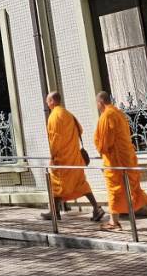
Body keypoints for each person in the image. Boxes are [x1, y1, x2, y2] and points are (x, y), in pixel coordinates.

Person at [93, 91, 147, 232]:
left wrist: (99, 147)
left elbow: (105, 143)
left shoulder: (106, 116)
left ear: (100, 102)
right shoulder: (119, 113)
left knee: (114, 190)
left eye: (97, 104)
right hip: (128, 157)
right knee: (134, 190)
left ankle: (116, 223)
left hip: (115, 161)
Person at [41, 92, 104, 223]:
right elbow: (79, 130)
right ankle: (95, 208)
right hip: (74, 156)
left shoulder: (53, 117)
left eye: (48, 101)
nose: (47, 104)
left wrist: (53, 156)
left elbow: (54, 139)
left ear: (52, 101)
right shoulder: (69, 114)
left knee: (56, 184)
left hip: (62, 158)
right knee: (80, 183)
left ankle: (55, 212)